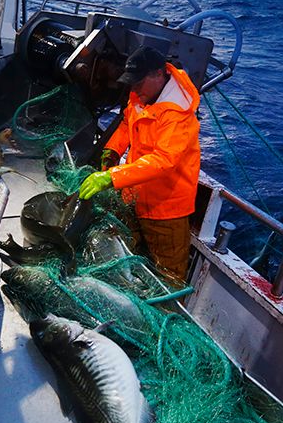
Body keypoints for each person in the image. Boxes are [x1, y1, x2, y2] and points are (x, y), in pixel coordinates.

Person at [78, 46, 201, 279]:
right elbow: (127, 123)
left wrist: (111, 177)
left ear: (158, 74)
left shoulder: (177, 115)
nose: (132, 88)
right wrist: (113, 151)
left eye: (138, 82)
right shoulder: (140, 97)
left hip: (166, 211)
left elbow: (163, 160)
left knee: (170, 276)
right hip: (133, 199)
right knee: (127, 261)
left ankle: (166, 314)